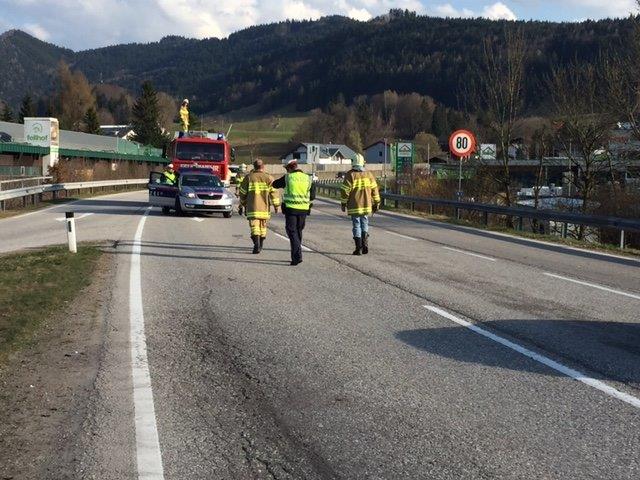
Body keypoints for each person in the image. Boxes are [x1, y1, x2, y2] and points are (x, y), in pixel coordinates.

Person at [273, 160, 315, 266]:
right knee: (298, 231)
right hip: (304, 209)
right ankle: (297, 255)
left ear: (289, 168)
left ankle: (297, 256)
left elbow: (275, 184)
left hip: (291, 209)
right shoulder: (308, 178)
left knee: (292, 232)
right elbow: (312, 196)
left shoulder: (288, 177)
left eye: (287, 169)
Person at [340, 153, 380, 256]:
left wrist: (343, 203)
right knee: (365, 223)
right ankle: (365, 243)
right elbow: (374, 189)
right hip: (366, 205)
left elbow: (345, 191)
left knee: (356, 225)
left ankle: (358, 248)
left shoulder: (350, 175)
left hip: (354, 206)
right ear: (362, 162)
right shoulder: (369, 174)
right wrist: (377, 202)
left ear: (352, 162)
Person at [238, 159, 280, 254]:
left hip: (252, 207)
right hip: (264, 208)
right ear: (263, 166)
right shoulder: (269, 178)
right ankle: (260, 244)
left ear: (254, 166)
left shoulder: (249, 177)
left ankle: (256, 244)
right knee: (263, 226)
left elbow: (242, 193)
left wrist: (243, 203)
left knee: (254, 226)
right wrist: (276, 205)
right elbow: (274, 192)